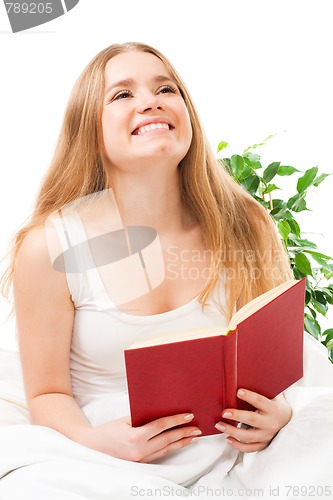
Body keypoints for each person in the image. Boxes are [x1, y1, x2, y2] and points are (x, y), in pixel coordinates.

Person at [1, 42, 333, 498]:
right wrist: (99, 441)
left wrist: (275, 417)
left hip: (232, 449)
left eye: (165, 88)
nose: (150, 101)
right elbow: (46, 395)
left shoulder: (245, 222)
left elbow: (273, 361)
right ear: (89, 129)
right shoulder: (50, 246)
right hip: (106, 456)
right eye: (121, 95)